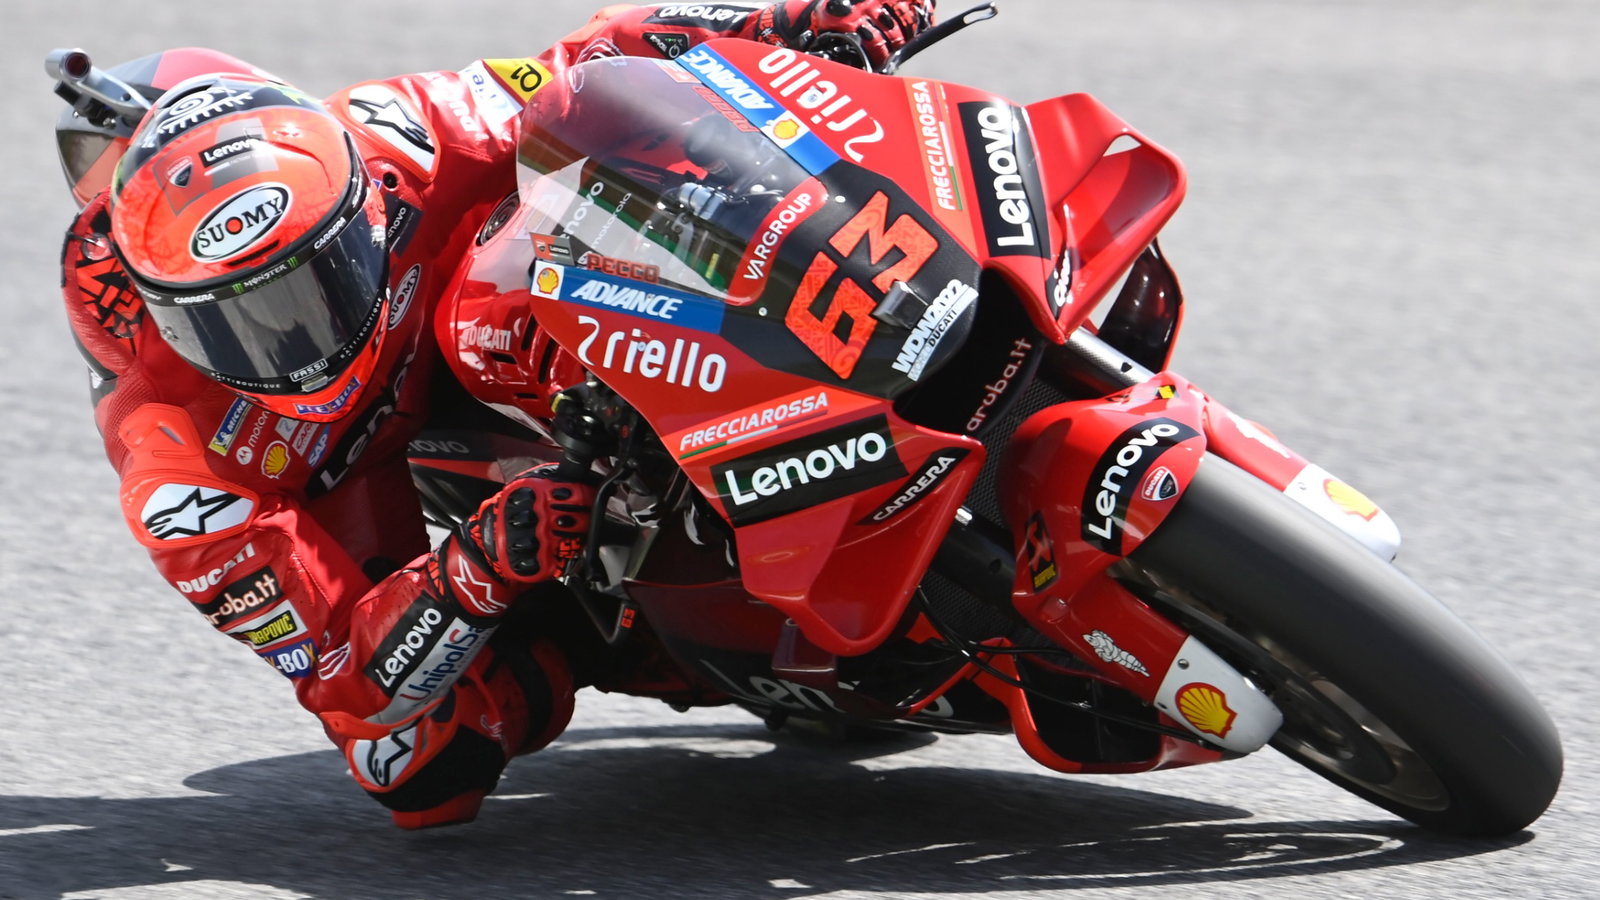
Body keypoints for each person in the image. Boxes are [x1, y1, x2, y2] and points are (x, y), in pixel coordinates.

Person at [57, 0, 935, 829]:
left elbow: (588, 67)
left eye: (314, 285)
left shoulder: (391, 132)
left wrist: (789, 20)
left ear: (360, 204)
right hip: (351, 476)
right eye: (237, 323)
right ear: (167, 316)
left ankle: (780, 384)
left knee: (512, 279)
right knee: (413, 764)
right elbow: (345, 679)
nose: (295, 338)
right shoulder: (177, 465)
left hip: (509, 314)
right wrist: (477, 568)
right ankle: (632, 636)